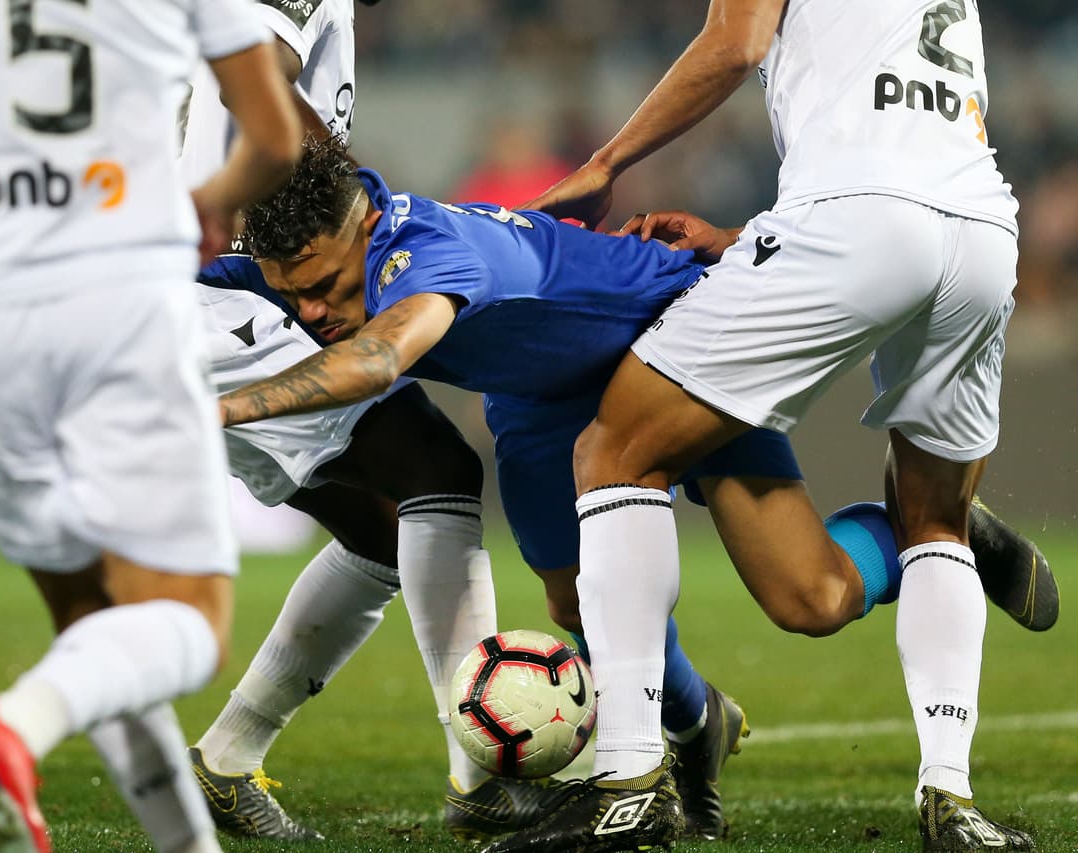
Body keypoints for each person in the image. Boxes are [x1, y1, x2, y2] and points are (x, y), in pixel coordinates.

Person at [205, 136, 1056, 851]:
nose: (312, 310)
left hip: (673, 336)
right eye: (293, 292)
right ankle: (696, 722)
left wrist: (220, 408)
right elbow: (200, 268)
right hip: (540, 403)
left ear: (364, 230)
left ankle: (925, 533)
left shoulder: (421, 254)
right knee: (581, 603)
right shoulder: (326, 249)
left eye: (325, 286)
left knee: (812, 599)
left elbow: (379, 358)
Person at [181, 1, 742, 840]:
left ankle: (227, 760)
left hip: (214, 284)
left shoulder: (408, 239)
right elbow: (256, 71)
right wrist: (330, 198)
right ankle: (483, 778)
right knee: (432, 474)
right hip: (208, 285)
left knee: (390, 528)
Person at [513, 0, 1050, 850]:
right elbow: (895, 113)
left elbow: (736, 44)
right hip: (981, 230)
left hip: (859, 218)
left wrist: (606, 162)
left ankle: (628, 779)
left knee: (616, 450)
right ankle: (952, 799)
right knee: (930, 527)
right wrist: (750, 237)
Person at [0, 0, 302, 851]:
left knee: (93, 622)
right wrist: (209, 203)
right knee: (189, 622)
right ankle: (18, 724)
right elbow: (274, 138)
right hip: (117, 292)